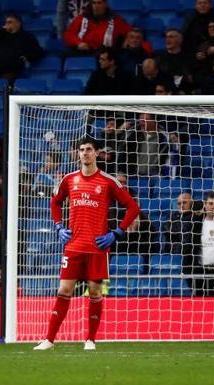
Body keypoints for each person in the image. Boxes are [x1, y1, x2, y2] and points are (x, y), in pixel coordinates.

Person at [34, 136, 139, 351]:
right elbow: (55, 203)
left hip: (97, 247)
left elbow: (133, 207)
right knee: (64, 290)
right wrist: (59, 227)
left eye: (89, 149)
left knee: (95, 292)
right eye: (81, 149)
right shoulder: (69, 179)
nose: (85, 153)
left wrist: (117, 233)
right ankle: (49, 340)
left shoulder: (108, 181)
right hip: (73, 246)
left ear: (97, 153)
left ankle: (90, 340)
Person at [182, 191, 214, 296]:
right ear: (205, 205)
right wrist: (189, 272)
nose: (213, 207)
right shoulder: (195, 224)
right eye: (210, 204)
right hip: (202, 274)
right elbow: (188, 248)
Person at [0, 13, 43, 80]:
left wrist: (25, 58)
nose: (7, 25)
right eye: (6, 22)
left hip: (11, 69)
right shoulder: (1, 36)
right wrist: (0, 33)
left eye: (10, 22)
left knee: (6, 82)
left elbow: (38, 52)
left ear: (18, 24)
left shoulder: (27, 36)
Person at [63, 0, 131, 53]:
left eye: (99, 3)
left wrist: (127, 39)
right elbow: (69, 34)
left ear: (105, 4)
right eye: (94, 3)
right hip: (84, 52)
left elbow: (131, 32)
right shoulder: (81, 19)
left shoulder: (116, 21)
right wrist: (78, 43)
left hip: (106, 55)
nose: (96, 6)